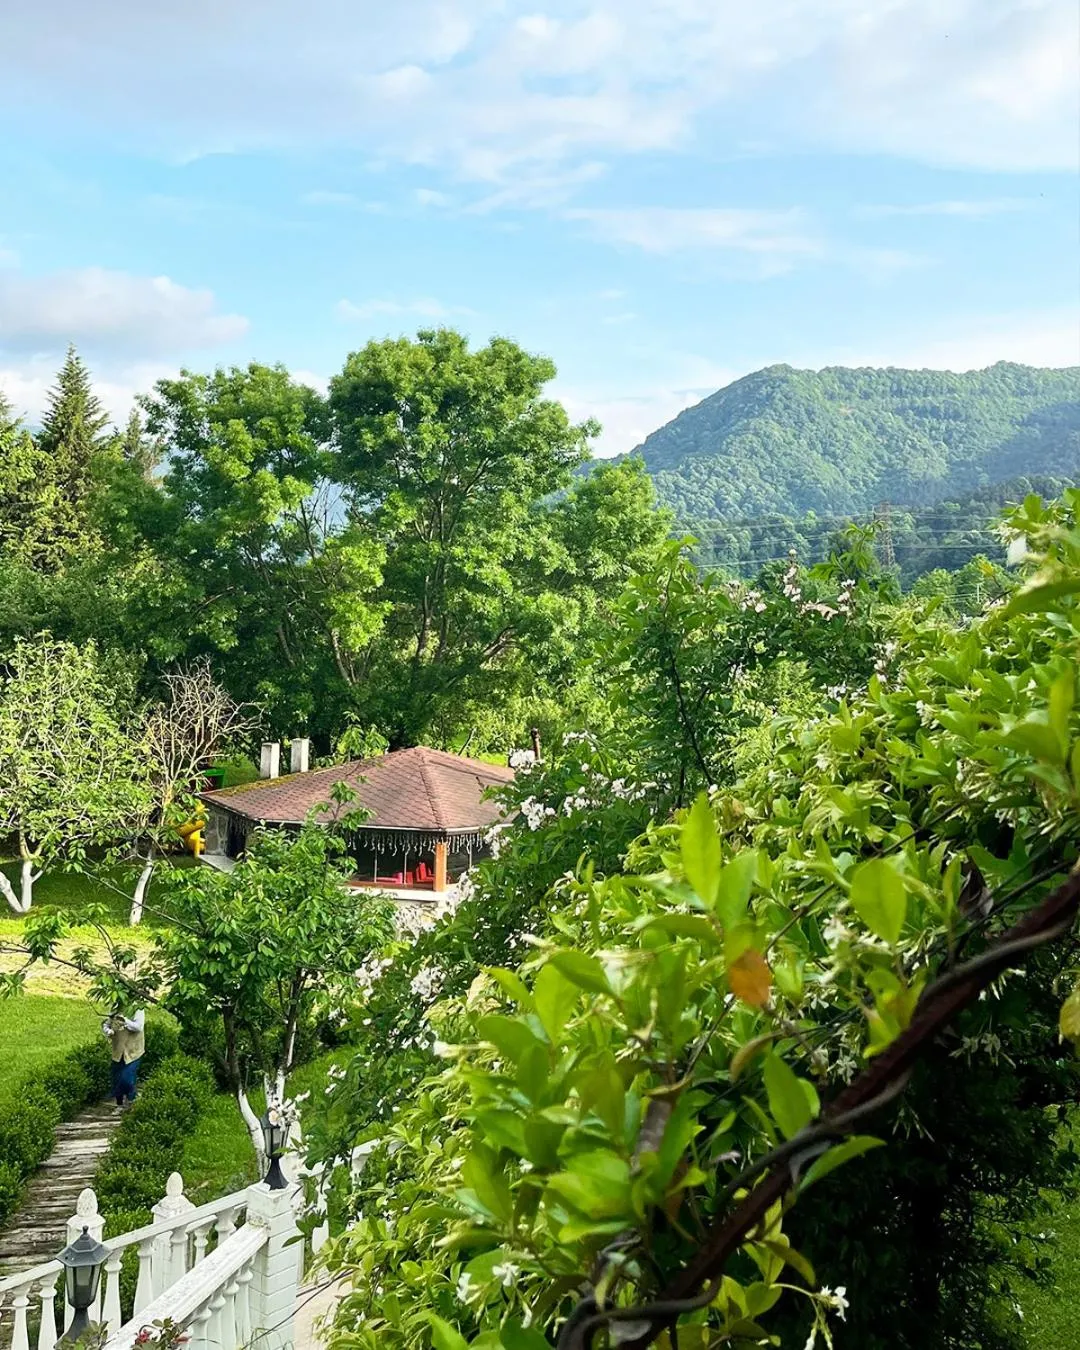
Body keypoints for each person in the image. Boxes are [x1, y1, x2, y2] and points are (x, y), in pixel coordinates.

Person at [102, 1005, 145, 1107]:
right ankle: (119, 1104)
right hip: (118, 1051)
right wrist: (109, 1031)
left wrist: (124, 1020)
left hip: (133, 1051)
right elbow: (106, 1024)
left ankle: (131, 1100)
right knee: (117, 1079)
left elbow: (139, 1027)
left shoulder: (137, 1008)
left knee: (127, 1079)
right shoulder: (116, 1007)